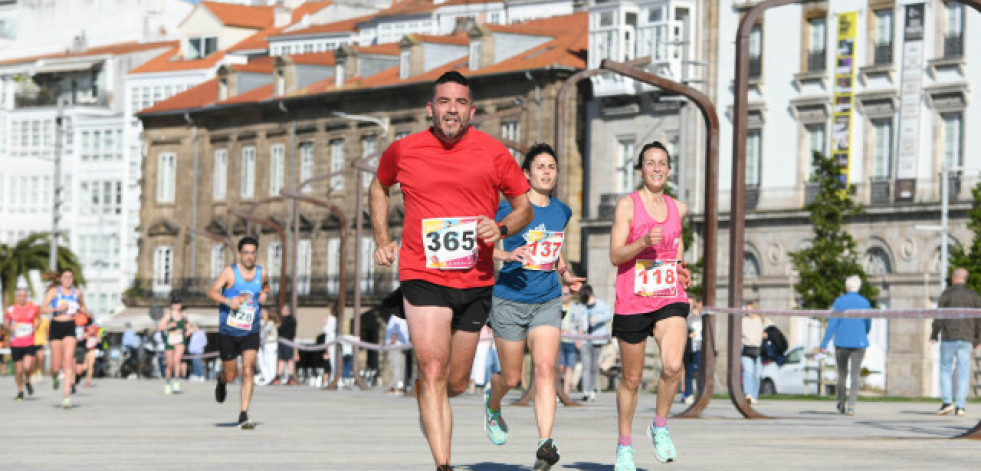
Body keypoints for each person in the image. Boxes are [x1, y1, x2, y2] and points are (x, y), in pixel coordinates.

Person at [369, 70, 533, 471]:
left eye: (460, 103)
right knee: (433, 366)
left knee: (455, 382)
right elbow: (378, 187)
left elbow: (524, 206)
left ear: (471, 110)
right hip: (421, 274)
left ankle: (429, 394)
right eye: (444, 102)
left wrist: (503, 227)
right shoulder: (404, 150)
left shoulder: (494, 152)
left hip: (475, 278)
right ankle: (443, 464)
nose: (452, 110)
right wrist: (381, 237)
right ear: (431, 108)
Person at [482, 142, 585, 470]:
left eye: (551, 167)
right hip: (509, 299)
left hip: (547, 299)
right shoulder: (509, 209)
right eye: (540, 167)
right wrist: (507, 255)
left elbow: (553, 247)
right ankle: (493, 405)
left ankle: (544, 443)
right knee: (511, 377)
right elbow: (482, 246)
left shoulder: (562, 211)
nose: (547, 173)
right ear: (526, 174)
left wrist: (566, 274)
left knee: (545, 370)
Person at [608, 141, 693, 469]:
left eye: (662, 163)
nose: (656, 168)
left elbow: (678, 240)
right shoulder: (627, 206)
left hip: (669, 295)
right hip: (633, 300)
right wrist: (642, 242)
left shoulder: (678, 208)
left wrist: (682, 265)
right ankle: (625, 446)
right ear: (640, 169)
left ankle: (659, 425)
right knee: (631, 378)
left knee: (673, 366)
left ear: (669, 170)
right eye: (649, 163)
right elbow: (616, 255)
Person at [207, 236, 269, 429]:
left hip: (251, 329)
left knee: (249, 370)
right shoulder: (230, 273)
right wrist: (228, 301)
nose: (250, 256)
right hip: (229, 331)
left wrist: (265, 293)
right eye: (246, 253)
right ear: (240, 254)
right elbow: (212, 292)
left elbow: (265, 286)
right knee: (232, 374)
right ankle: (222, 380)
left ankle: (243, 413)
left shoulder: (261, 273)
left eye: (253, 252)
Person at [930, 267, 981, 416]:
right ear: (965, 279)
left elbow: (939, 316)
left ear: (954, 278)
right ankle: (960, 406)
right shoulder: (973, 296)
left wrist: (934, 333)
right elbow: (979, 319)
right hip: (966, 337)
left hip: (949, 337)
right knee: (964, 371)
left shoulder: (946, 294)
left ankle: (947, 402)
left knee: (945, 368)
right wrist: (977, 338)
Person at [820, 275, 871, 416]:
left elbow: (832, 324)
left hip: (842, 342)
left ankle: (841, 403)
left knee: (842, 375)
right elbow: (868, 324)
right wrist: (863, 334)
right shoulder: (865, 302)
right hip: (859, 342)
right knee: (855, 375)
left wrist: (824, 344)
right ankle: (851, 406)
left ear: (847, 287)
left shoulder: (839, 302)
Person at [40, 269, 89, 409]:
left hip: (69, 326)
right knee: (56, 366)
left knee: (68, 361)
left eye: (70, 277)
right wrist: (57, 309)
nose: (68, 280)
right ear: (61, 279)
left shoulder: (77, 292)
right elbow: (42, 309)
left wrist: (83, 310)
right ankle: (55, 377)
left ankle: (66, 396)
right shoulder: (54, 292)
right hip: (56, 325)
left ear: (73, 279)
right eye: (65, 277)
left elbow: (83, 306)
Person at [574, 285, 612, 402]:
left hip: (597, 339)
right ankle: (585, 391)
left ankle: (592, 390)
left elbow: (609, 315)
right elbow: (577, 321)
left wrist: (597, 319)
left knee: (594, 367)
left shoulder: (601, 305)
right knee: (586, 366)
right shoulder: (581, 306)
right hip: (585, 339)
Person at [5, 288, 40, 400]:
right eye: (20, 296)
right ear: (17, 297)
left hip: (29, 341)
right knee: (19, 370)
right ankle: (20, 390)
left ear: (27, 297)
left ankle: (28, 380)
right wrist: (10, 327)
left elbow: (38, 319)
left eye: (24, 296)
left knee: (27, 366)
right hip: (16, 343)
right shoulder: (11, 309)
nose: (22, 298)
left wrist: (36, 327)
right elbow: (5, 323)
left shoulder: (33, 307)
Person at [158, 295, 188, 394]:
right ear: (172, 305)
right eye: (174, 304)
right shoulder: (168, 315)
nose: (176, 305)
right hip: (170, 339)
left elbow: (188, 326)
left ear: (180, 305)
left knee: (177, 360)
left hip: (180, 339)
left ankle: (176, 382)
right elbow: (160, 327)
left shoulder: (184, 315)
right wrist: (168, 326)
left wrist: (187, 331)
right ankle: (167, 382)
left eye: (178, 303)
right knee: (169, 364)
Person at [559, 287, 584, 397]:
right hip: (559, 341)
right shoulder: (557, 307)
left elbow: (581, 326)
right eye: (563, 293)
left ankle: (565, 392)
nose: (565, 296)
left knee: (570, 367)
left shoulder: (576, 308)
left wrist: (579, 339)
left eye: (567, 293)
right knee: (560, 367)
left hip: (572, 341)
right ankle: (557, 390)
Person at [741, 301, 766, 405]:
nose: (748, 311)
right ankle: (748, 394)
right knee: (748, 372)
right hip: (747, 349)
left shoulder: (762, 320)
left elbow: (772, 330)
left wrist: (766, 334)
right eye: (747, 309)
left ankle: (754, 396)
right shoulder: (743, 320)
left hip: (758, 350)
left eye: (750, 309)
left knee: (757, 374)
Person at [682, 299, 703, 405]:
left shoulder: (703, 316)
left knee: (699, 371)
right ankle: (688, 394)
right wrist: (688, 333)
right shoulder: (687, 316)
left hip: (699, 347)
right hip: (689, 348)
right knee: (689, 371)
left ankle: (700, 394)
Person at [386, 313, 410, 394]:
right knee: (400, 366)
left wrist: (391, 341)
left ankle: (398, 386)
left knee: (396, 366)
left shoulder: (396, 318)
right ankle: (401, 385)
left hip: (396, 345)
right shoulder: (402, 317)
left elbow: (395, 331)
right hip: (402, 344)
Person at [275, 305, 297, 385]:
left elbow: (281, 329)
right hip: (290, 341)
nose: (282, 312)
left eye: (283, 310)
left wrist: (278, 327)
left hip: (284, 341)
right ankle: (290, 377)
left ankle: (279, 377)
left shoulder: (286, 320)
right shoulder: (293, 320)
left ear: (287, 311)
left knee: (282, 359)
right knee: (288, 359)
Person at [257, 310, 278, 386]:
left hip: (270, 344)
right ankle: (267, 376)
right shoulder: (264, 323)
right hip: (265, 344)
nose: (262, 315)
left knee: (270, 360)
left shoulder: (270, 323)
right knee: (265, 360)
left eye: (263, 314)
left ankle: (271, 377)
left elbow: (265, 332)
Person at [78, 322, 102, 387]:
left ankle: (88, 381)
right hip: (85, 350)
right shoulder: (86, 330)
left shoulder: (97, 331)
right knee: (84, 367)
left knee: (90, 366)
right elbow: (84, 337)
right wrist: (90, 333)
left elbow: (99, 340)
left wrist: (97, 334)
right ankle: (77, 377)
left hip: (92, 350)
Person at [32, 314, 49, 382]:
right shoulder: (32, 319)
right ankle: (33, 374)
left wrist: (47, 338)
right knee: (33, 360)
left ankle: (39, 373)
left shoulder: (45, 319)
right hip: (33, 341)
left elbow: (47, 330)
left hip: (41, 341)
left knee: (40, 358)